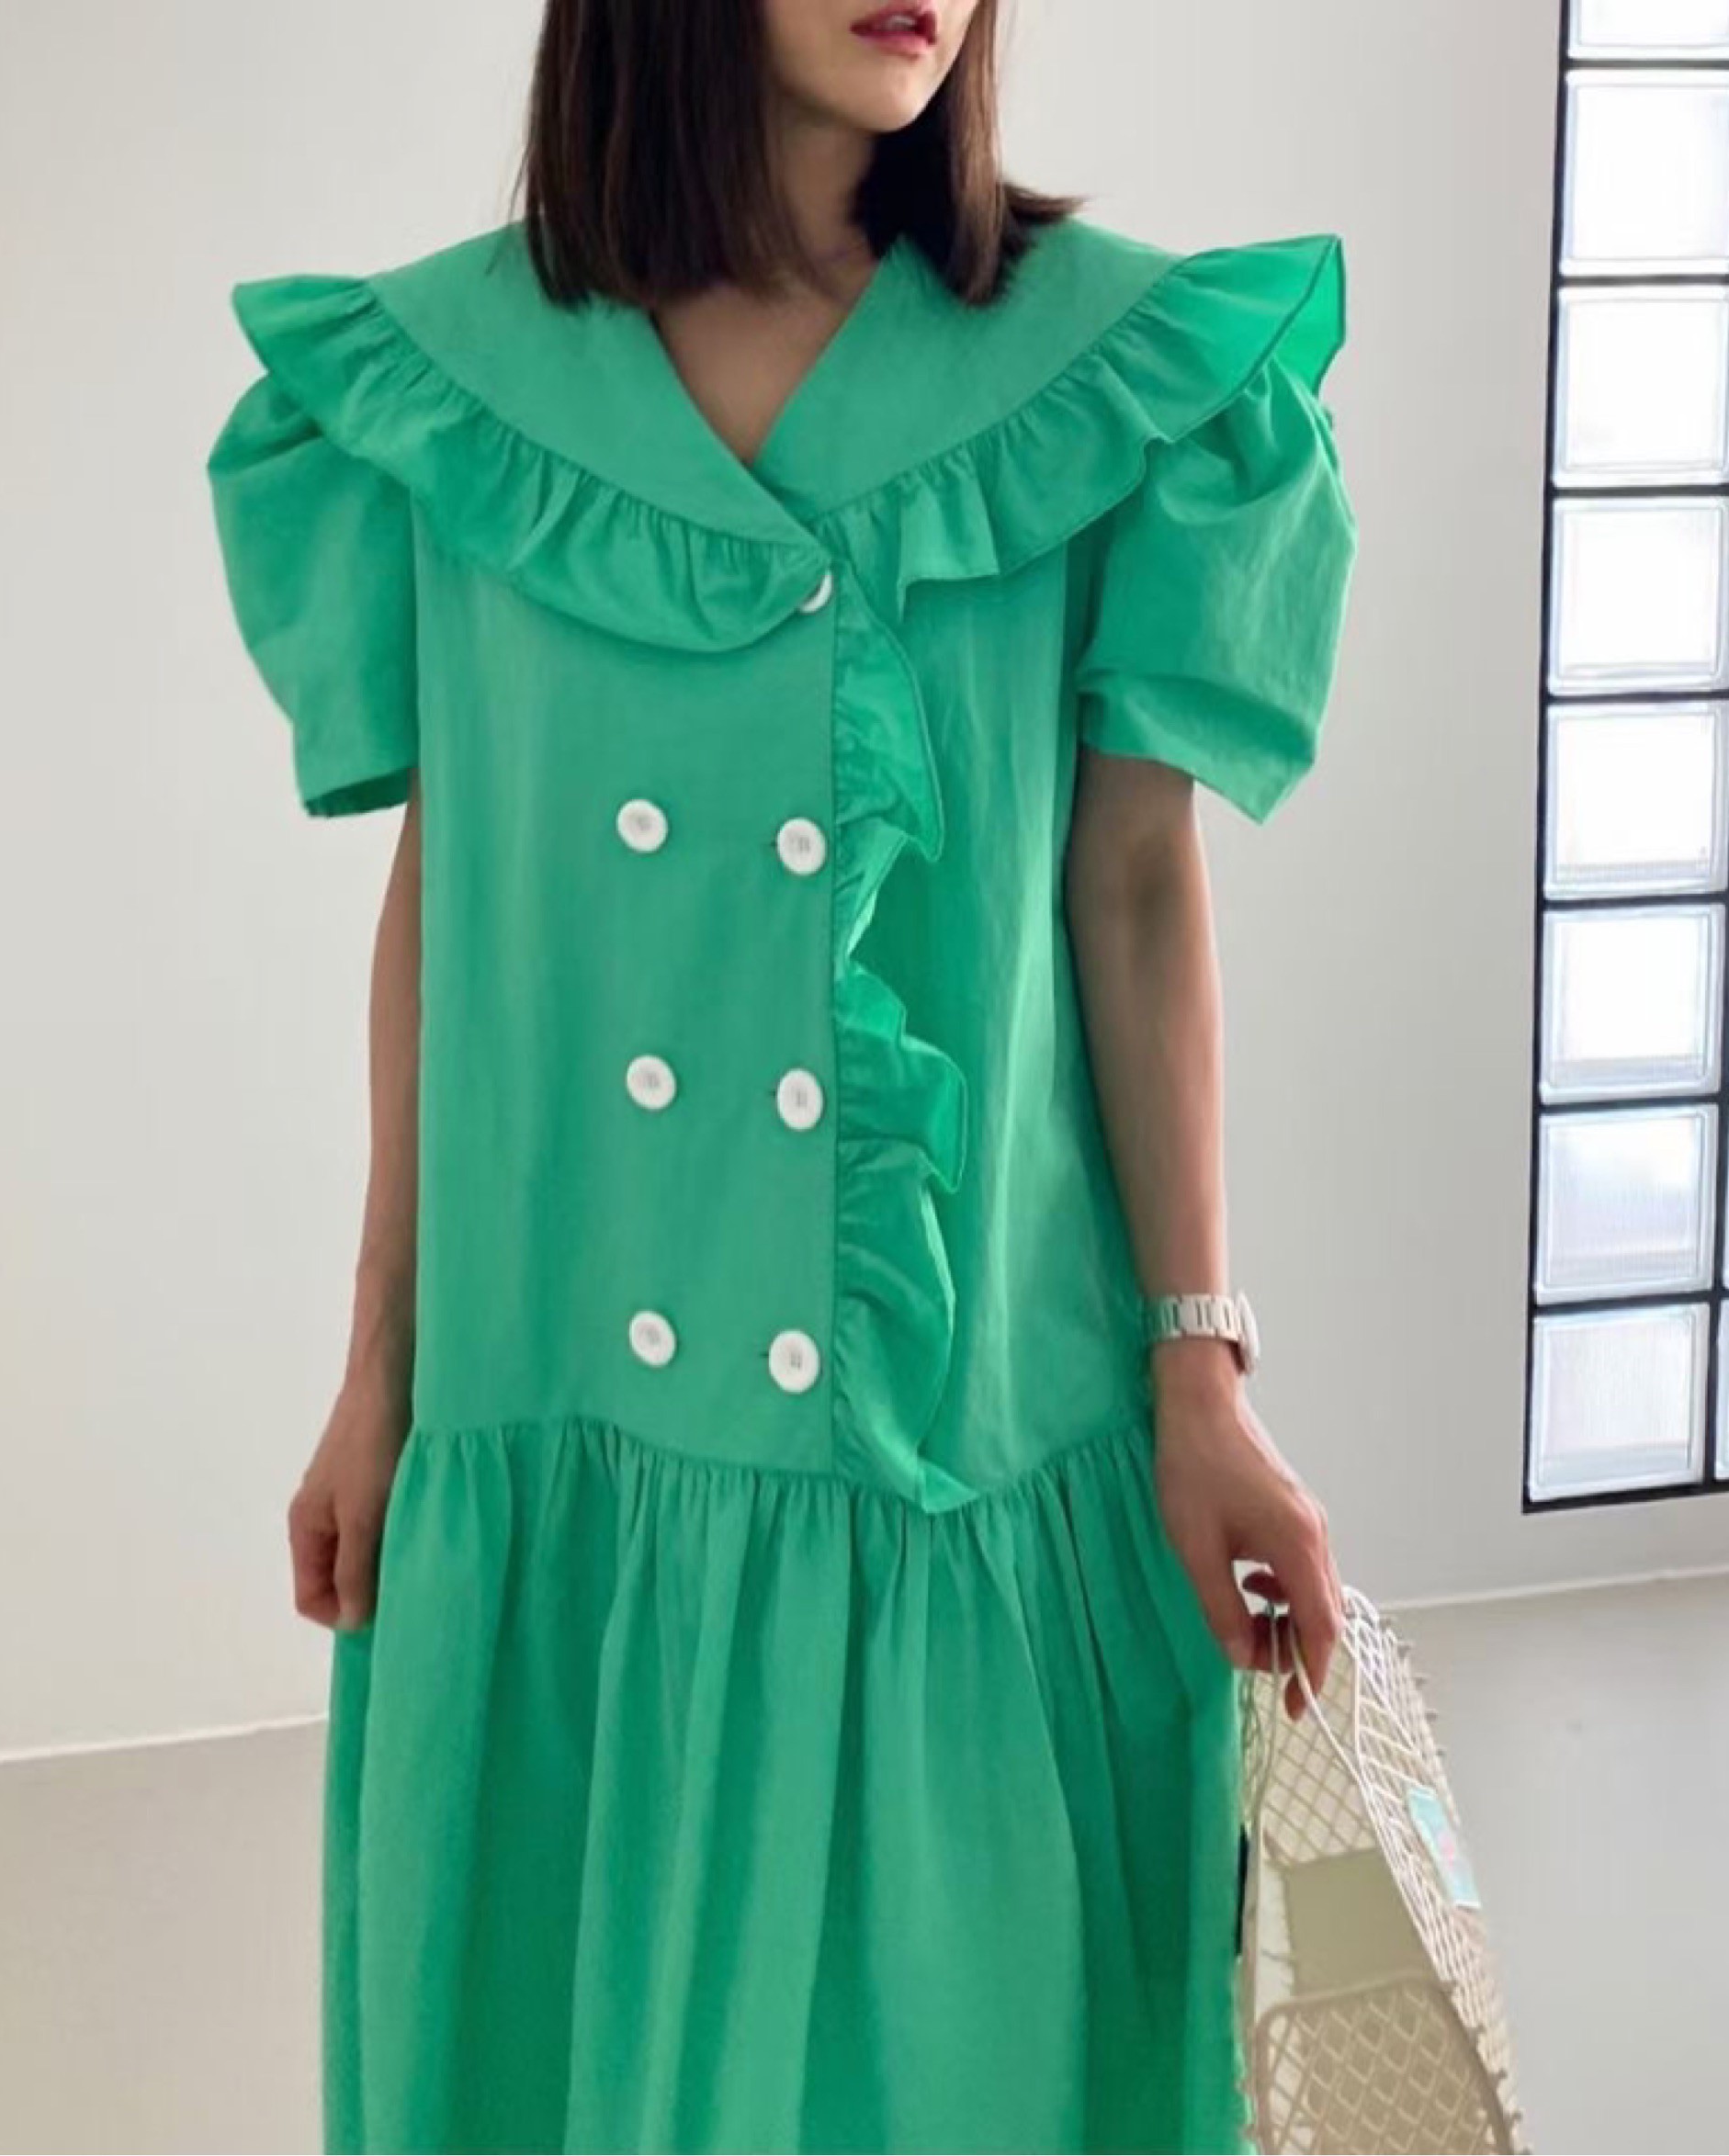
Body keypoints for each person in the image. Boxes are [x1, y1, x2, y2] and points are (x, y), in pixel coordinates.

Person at [204, 0, 1358, 2147]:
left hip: (971, 1432)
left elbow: (1134, 889)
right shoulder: (453, 391)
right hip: (568, 1403)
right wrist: (381, 1360)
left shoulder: (1111, 375)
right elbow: (455, 891)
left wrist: (1201, 1372)